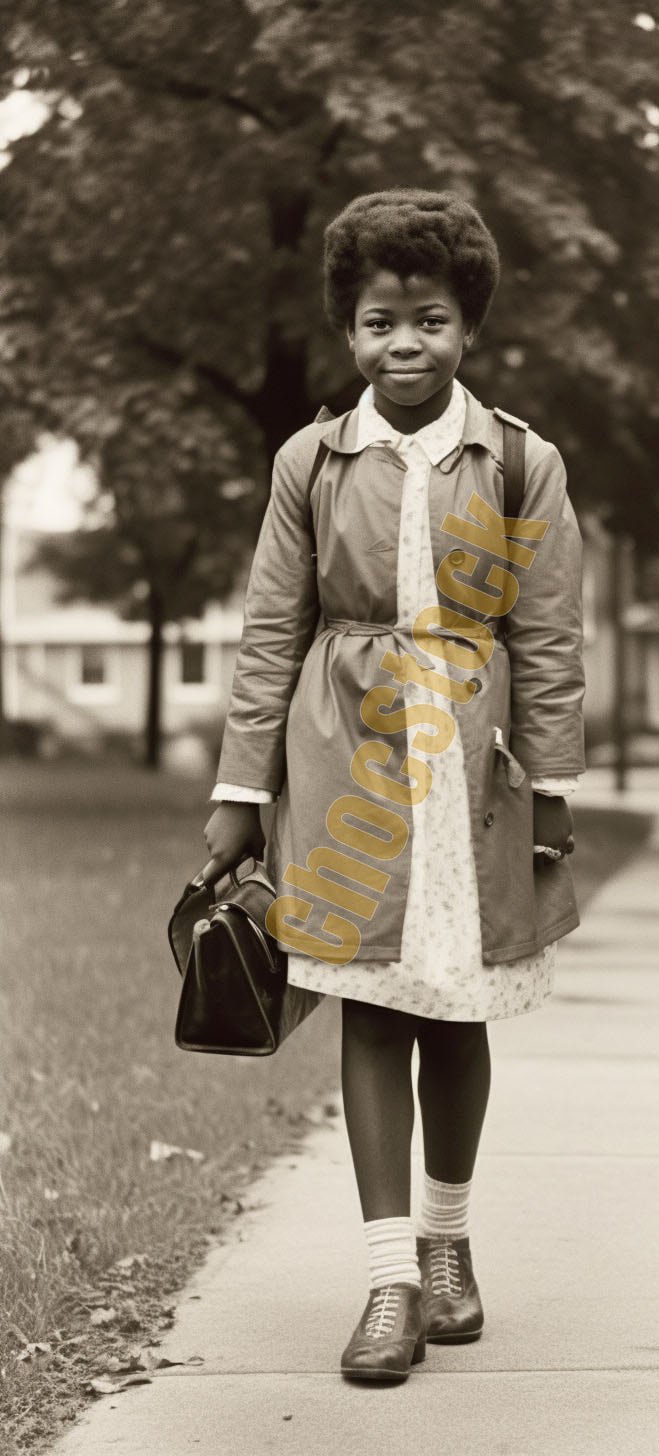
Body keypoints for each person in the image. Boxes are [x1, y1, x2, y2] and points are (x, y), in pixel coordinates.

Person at [203, 188, 585, 1382]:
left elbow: (551, 638)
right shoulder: (312, 462)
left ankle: (450, 1245)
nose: (402, 344)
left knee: (455, 1006)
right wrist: (237, 789)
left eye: (427, 320)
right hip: (348, 761)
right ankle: (387, 1281)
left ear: (467, 326)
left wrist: (555, 793)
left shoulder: (520, 461)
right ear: (348, 330)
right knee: (370, 1005)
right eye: (378, 322)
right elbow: (273, 631)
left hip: (474, 766)